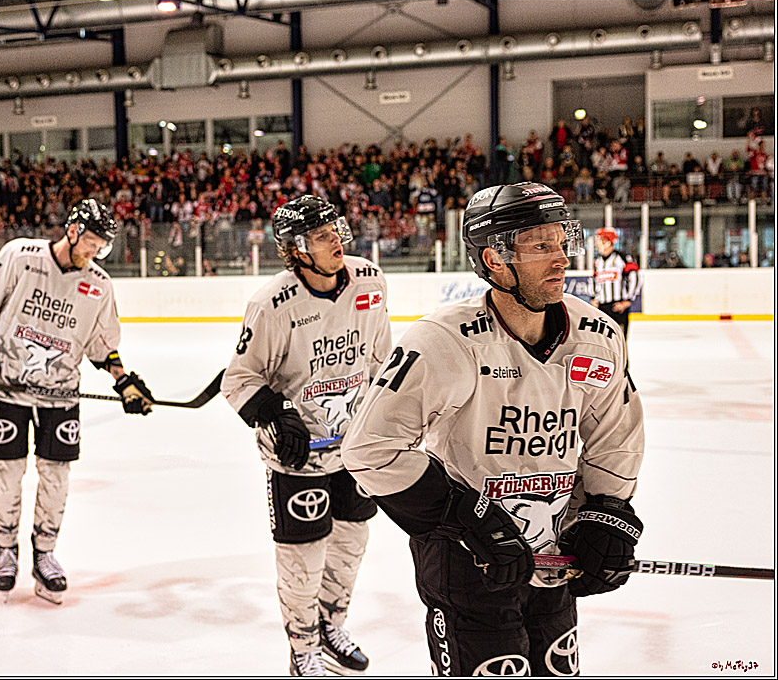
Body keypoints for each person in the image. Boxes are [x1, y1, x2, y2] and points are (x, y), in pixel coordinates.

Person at [342, 183, 645, 676]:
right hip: (468, 562)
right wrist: (468, 517)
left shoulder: (599, 335)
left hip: (553, 555)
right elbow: (370, 448)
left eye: (562, 241)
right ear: (495, 258)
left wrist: (608, 512)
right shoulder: (444, 341)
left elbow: (615, 435)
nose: (562, 259)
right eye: (540, 246)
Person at [0, 199, 155, 605]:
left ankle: (45, 552)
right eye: (92, 241)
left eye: (101, 246)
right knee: (8, 472)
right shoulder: (20, 255)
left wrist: (123, 381)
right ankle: (7, 550)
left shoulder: (98, 284)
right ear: (73, 230)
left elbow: (101, 344)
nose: (95, 251)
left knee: (56, 475)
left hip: (60, 394)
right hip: (6, 388)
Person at [221, 195, 393, 676]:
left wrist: (387, 419)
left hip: (355, 448)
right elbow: (238, 381)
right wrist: (274, 412)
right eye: (321, 236)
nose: (336, 239)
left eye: (335, 229)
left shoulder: (369, 280)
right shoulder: (271, 303)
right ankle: (302, 648)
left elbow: (381, 357)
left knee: (350, 546)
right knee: (303, 558)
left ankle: (332, 625)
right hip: (298, 457)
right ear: (296, 249)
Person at [592, 228, 642, 340]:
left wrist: (627, 301)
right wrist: (594, 298)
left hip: (618, 307)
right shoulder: (598, 261)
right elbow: (594, 280)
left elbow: (636, 278)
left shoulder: (622, 258)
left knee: (619, 342)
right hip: (602, 308)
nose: (596, 244)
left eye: (600, 240)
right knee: (603, 342)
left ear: (608, 241)